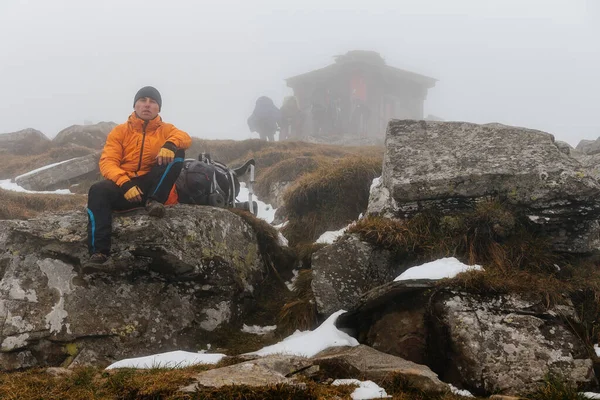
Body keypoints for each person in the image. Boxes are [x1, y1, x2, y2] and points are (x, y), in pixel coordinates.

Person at [86, 86, 192, 264]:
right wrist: (125, 183)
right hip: (127, 188)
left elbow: (185, 138)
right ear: (135, 105)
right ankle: (99, 253)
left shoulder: (166, 129)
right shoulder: (120, 131)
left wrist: (170, 145)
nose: (147, 105)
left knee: (178, 154)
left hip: (153, 188)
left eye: (153, 102)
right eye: (143, 100)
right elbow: (108, 162)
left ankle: (154, 201)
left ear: (158, 108)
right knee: (97, 190)